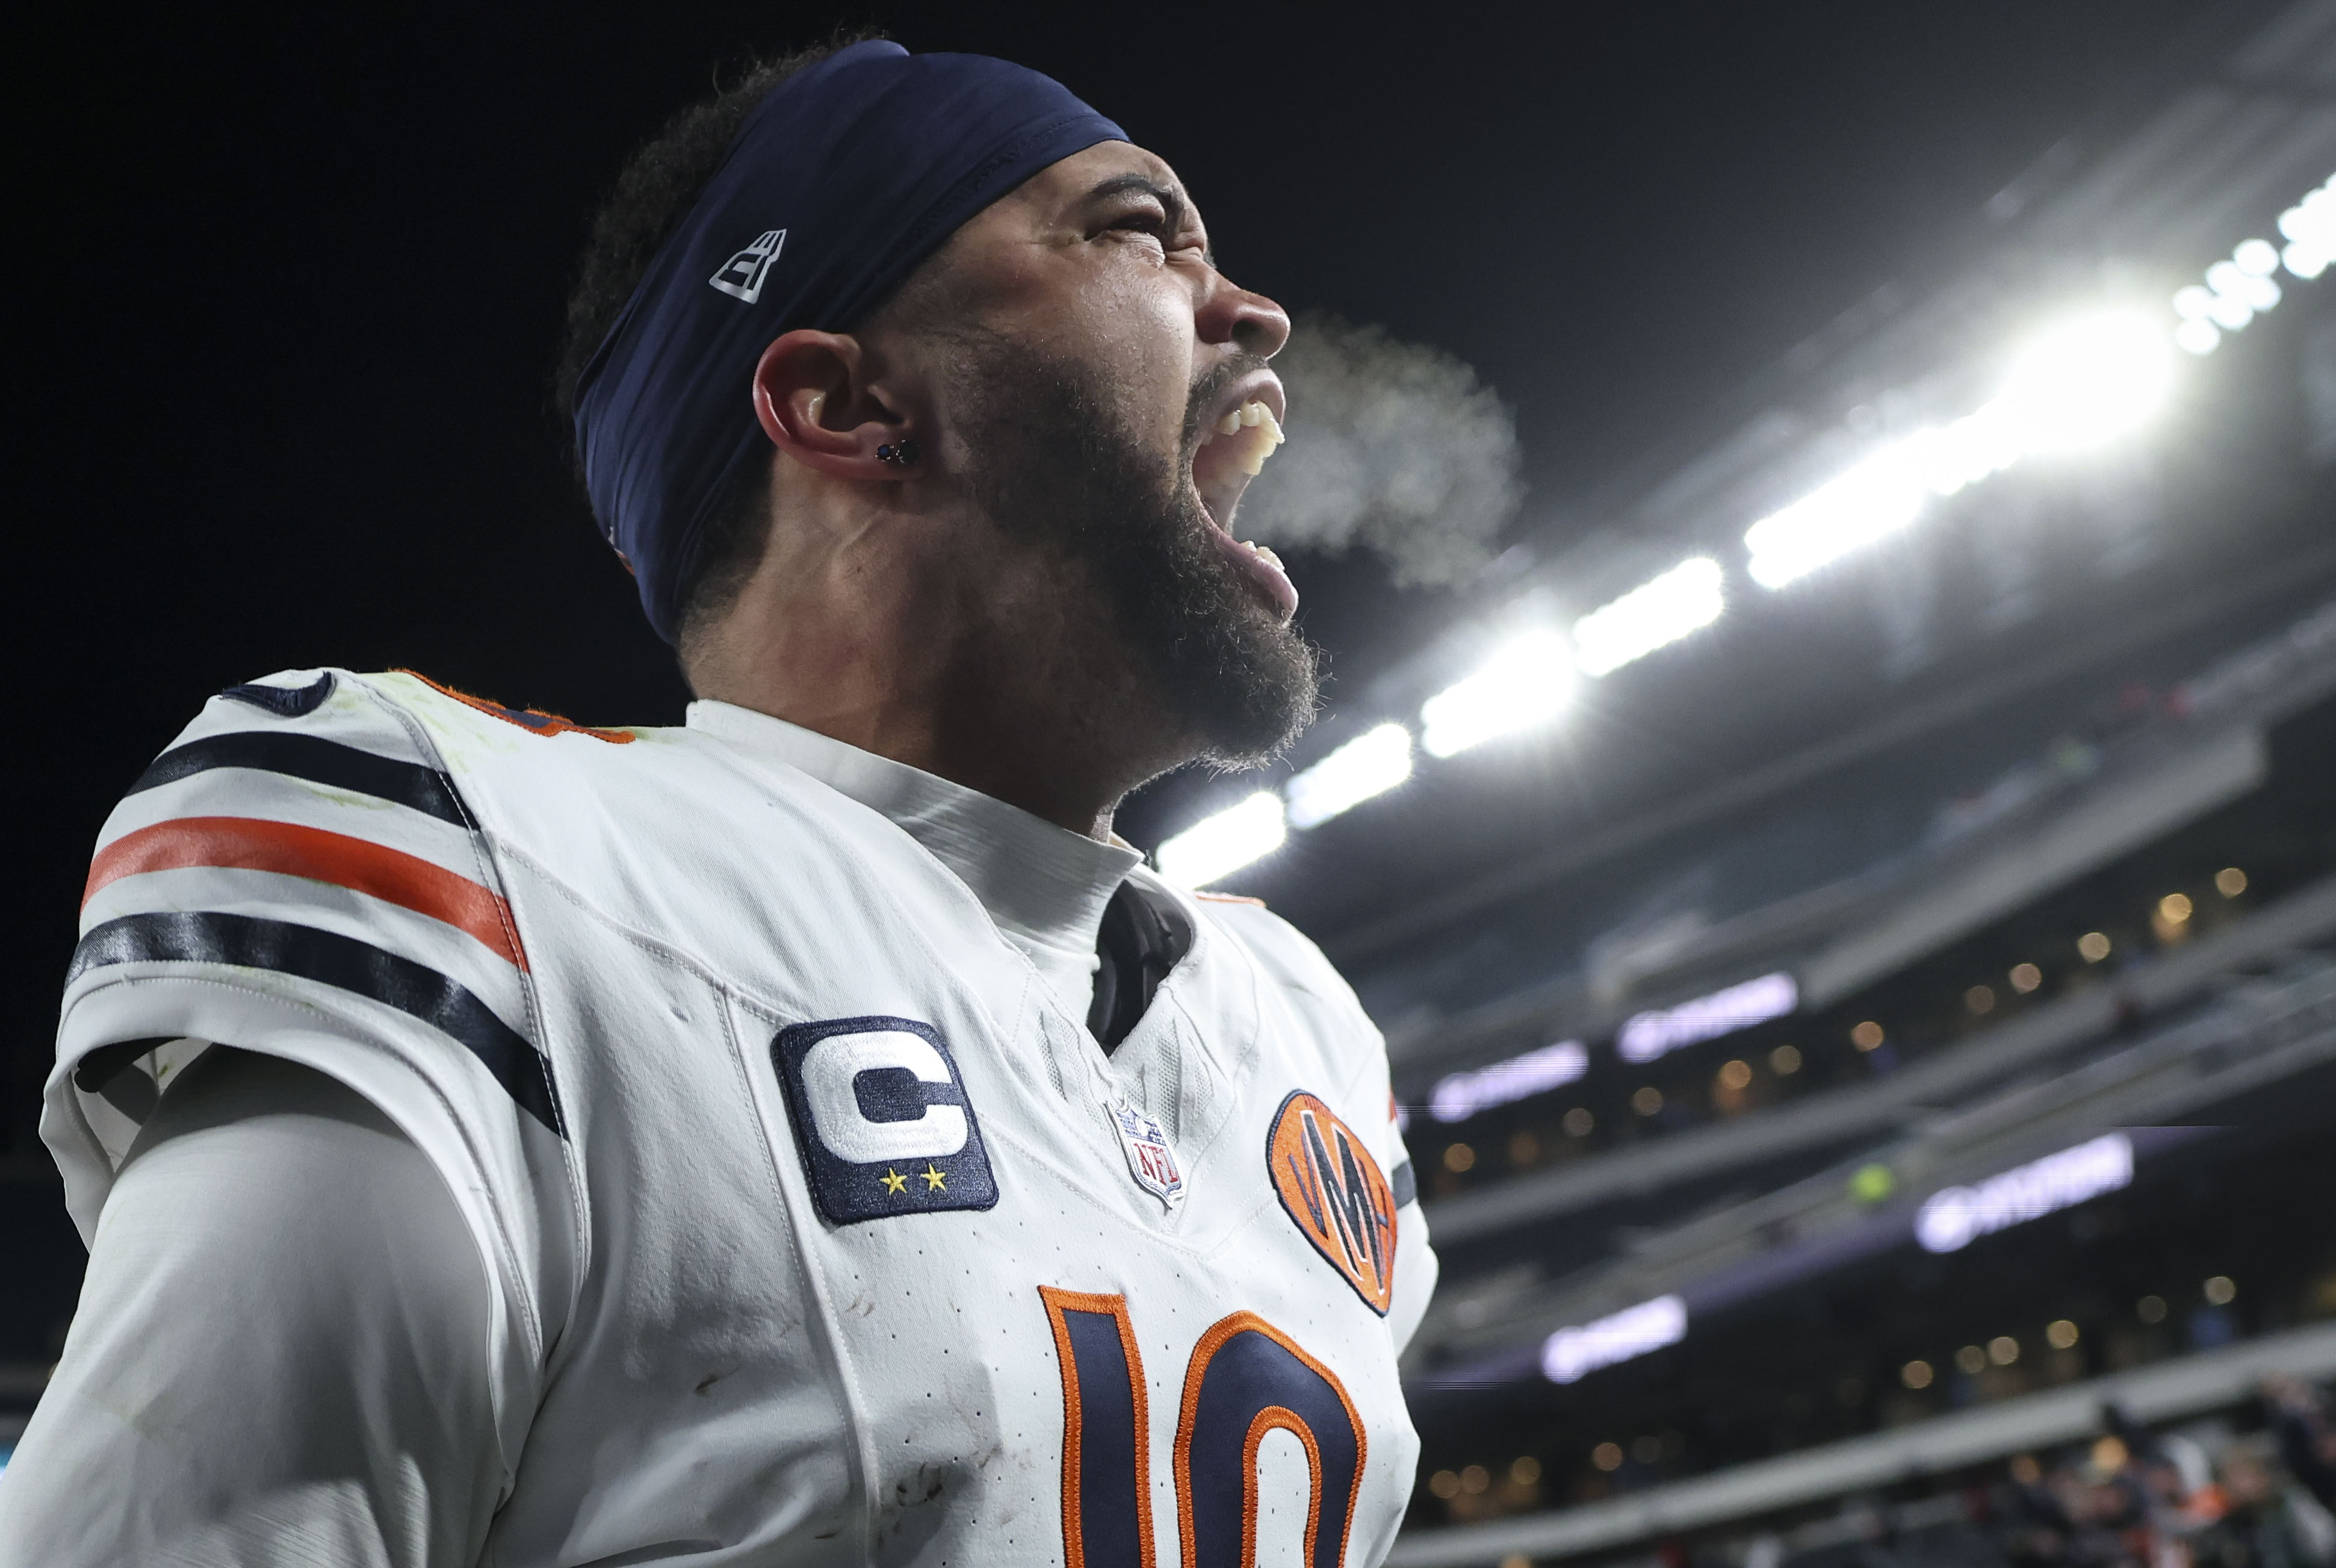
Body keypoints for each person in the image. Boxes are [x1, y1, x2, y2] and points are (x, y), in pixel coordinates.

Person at [1, 36, 1436, 1568]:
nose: (1255, 306)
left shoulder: (1302, 1033)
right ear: (846, 404)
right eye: (1137, 229)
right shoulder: (500, 863)